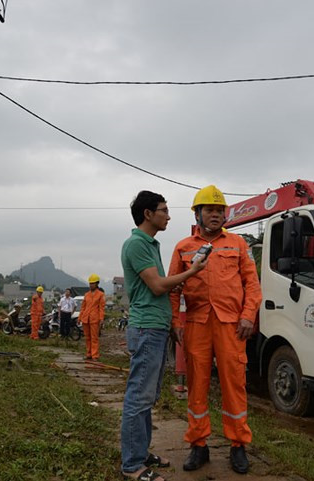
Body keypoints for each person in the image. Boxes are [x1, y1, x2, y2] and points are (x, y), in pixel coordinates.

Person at [168, 185, 262, 474]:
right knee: (197, 385)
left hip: (231, 325)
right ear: (198, 214)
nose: (215, 214)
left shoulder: (237, 244)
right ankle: (199, 445)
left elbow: (252, 285)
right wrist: (175, 322)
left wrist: (248, 316)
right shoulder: (184, 247)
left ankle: (238, 446)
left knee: (234, 384)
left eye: (219, 210)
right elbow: (173, 288)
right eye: (209, 209)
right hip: (196, 324)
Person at [120, 190, 207, 481]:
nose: (168, 215)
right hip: (145, 328)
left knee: (149, 395)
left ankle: (141, 452)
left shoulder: (150, 244)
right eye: (164, 210)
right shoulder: (136, 244)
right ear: (148, 214)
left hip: (155, 327)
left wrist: (171, 324)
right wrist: (192, 271)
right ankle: (132, 465)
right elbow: (157, 287)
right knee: (138, 397)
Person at [80, 274, 105, 360]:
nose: (91, 285)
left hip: (94, 319)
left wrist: (101, 318)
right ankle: (88, 353)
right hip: (85, 319)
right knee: (87, 337)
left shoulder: (101, 295)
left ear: (97, 284)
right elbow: (83, 307)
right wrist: (80, 317)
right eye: (90, 283)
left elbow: (101, 308)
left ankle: (95, 355)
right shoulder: (86, 295)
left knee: (94, 338)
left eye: (93, 283)